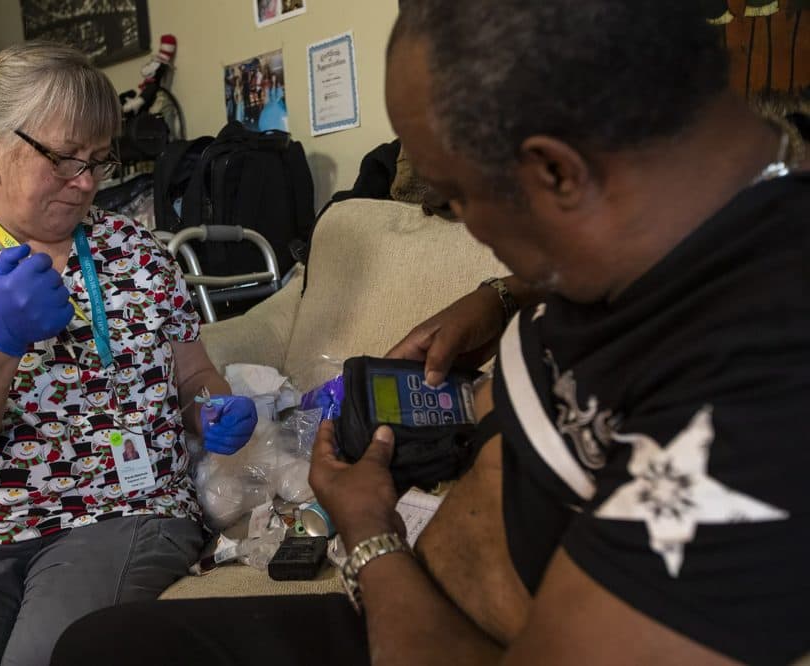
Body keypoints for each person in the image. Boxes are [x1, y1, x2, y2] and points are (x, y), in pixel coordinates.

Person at [51, 1, 810, 665]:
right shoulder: (678, 227)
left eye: (456, 197)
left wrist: (368, 532)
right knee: (105, 644)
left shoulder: (756, 406)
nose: (465, 226)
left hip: (435, 635)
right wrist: (503, 295)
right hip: (407, 605)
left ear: (556, 174)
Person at [0, 41, 258, 666]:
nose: (84, 184)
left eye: (99, 161)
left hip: (126, 509)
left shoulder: (136, 248)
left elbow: (195, 376)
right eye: (64, 158)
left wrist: (213, 408)